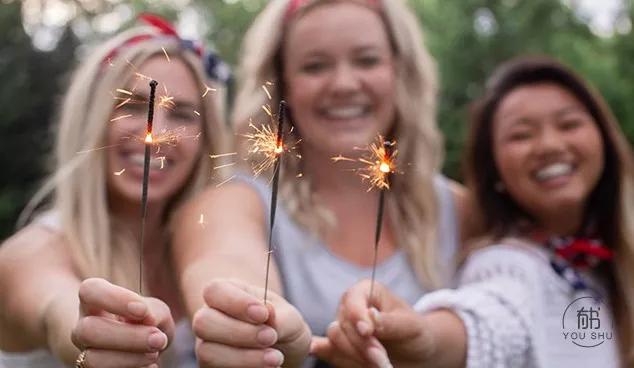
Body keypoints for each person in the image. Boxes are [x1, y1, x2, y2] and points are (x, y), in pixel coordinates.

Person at [171, 0, 474, 367]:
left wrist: (425, 341)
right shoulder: (234, 202)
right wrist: (258, 319)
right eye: (315, 66)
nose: (344, 84)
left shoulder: (461, 211)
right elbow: (224, 260)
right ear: (282, 86)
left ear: (400, 72)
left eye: (366, 60)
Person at [313, 56, 634, 367]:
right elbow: (489, 318)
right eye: (521, 134)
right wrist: (424, 338)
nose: (549, 145)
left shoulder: (612, 260)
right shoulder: (507, 264)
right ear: (493, 171)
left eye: (569, 123)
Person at [0, 14, 231, 368]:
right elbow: (56, 308)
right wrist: (86, 330)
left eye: (183, 114)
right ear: (92, 118)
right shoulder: (33, 252)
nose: (157, 134)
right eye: (133, 106)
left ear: (207, 139)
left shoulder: (212, 244)